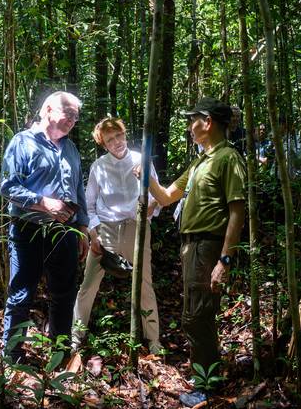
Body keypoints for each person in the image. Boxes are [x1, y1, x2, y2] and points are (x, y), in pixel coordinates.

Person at [142, 97, 246, 406]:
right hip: (191, 246)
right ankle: (204, 375)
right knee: (194, 314)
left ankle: (206, 385)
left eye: (193, 120)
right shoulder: (201, 161)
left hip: (208, 245)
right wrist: (145, 174)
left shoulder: (228, 158)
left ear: (208, 122)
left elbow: (237, 211)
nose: (190, 127)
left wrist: (224, 259)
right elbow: (165, 197)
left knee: (198, 316)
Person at [0, 91, 89, 362]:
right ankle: (11, 357)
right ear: (48, 109)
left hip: (65, 233)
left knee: (63, 295)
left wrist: (82, 229)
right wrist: (44, 203)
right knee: (22, 294)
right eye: (68, 113)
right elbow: (8, 187)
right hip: (29, 230)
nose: (72, 120)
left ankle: (60, 358)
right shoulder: (22, 142)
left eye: (76, 116)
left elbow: (79, 191)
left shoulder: (71, 148)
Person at [72, 117, 161, 355]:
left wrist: (147, 209)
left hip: (137, 228)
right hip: (106, 231)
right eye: (109, 139)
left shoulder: (141, 159)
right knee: (88, 285)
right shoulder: (98, 166)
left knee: (144, 285)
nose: (116, 142)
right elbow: (89, 206)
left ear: (124, 134)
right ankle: (75, 339)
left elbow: (157, 199)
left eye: (118, 136)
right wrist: (94, 233)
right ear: (103, 144)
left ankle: (153, 341)